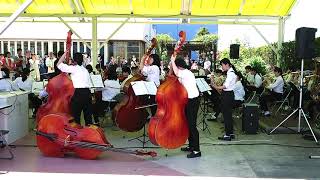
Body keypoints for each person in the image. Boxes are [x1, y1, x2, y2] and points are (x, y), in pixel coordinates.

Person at [171, 55, 201, 158]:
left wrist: (172, 61)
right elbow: (177, 81)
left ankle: (197, 151)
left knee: (192, 126)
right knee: (188, 125)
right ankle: (191, 145)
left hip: (192, 101)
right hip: (188, 100)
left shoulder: (186, 73)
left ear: (179, 66)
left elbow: (176, 72)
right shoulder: (183, 74)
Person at [57, 52, 93, 126]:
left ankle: (77, 134)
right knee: (88, 117)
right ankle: (90, 134)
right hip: (87, 93)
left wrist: (65, 53)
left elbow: (58, 64)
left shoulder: (74, 69)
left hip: (78, 93)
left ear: (74, 61)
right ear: (82, 60)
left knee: (76, 117)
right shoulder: (85, 70)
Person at [211, 58, 237, 141]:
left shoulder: (231, 73)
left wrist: (216, 87)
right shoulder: (230, 73)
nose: (222, 67)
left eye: (222, 65)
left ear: (226, 64)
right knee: (228, 115)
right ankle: (230, 133)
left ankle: (228, 135)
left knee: (226, 115)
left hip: (228, 95)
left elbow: (225, 86)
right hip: (228, 94)